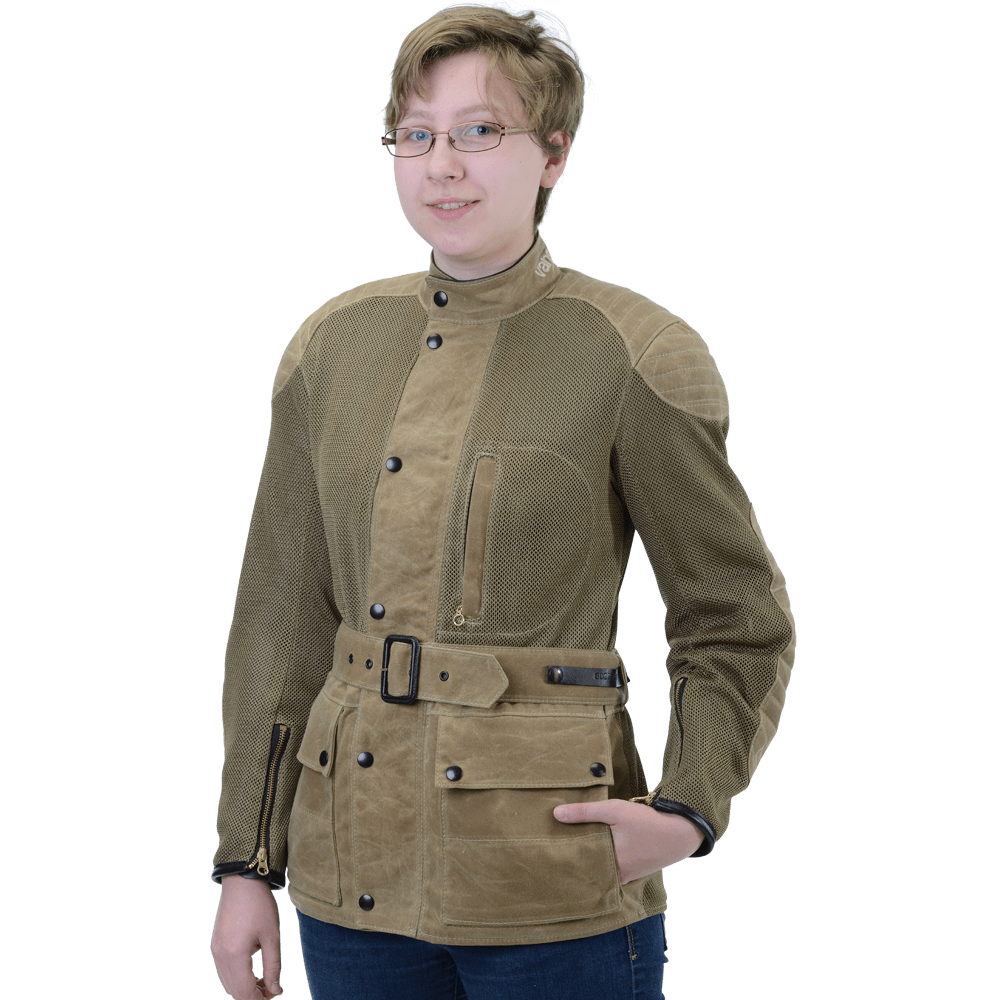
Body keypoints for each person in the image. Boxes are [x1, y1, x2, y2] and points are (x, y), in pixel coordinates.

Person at [210, 4, 795, 999]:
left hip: (552, 886)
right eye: (415, 135)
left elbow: (733, 613)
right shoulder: (332, 346)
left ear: (555, 153)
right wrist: (247, 862)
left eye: (480, 131)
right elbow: (279, 619)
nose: (442, 165)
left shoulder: (635, 352)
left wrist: (689, 806)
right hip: (349, 886)